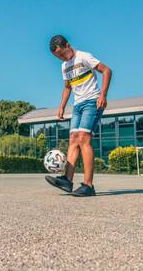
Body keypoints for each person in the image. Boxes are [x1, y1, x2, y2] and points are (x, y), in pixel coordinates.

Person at [45, 35, 112, 196]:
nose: (61, 58)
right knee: (73, 139)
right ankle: (67, 181)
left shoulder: (84, 56)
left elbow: (106, 70)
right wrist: (61, 106)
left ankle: (88, 185)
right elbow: (68, 87)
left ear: (67, 45)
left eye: (62, 54)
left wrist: (103, 95)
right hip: (77, 105)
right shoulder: (64, 67)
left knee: (83, 138)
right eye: (57, 57)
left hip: (92, 101)